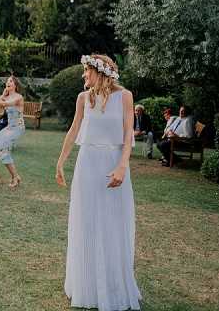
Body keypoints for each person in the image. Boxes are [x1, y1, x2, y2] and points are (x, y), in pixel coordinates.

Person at [54, 54, 141, 311]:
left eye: (86, 71)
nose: (83, 75)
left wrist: (122, 166)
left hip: (114, 163)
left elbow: (128, 133)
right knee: (88, 222)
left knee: (113, 223)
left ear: (100, 72)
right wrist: (60, 162)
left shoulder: (125, 96)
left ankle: (113, 284)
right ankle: (87, 285)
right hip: (87, 164)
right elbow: (73, 130)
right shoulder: (83, 98)